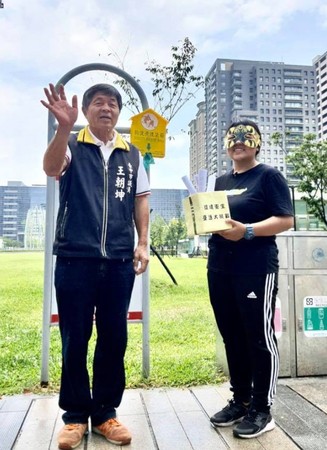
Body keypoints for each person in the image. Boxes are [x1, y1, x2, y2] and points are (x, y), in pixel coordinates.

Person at [41, 82, 150, 449]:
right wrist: (61, 128)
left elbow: (140, 201)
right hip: (75, 258)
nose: (107, 108)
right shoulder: (71, 146)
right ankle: (74, 418)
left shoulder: (132, 154)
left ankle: (104, 413)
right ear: (86, 111)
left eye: (113, 103)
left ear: (119, 112)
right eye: (99, 103)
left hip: (119, 260)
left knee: (114, 337)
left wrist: (143, 242)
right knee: (74, 338)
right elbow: (51, 167)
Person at [207, 119, 294, 439]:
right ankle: (240, 399)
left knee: (258, 336)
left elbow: (285, 220)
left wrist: (247, 231)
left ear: (256, 144)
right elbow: (213, 218)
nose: (238, 141)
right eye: (233, 137)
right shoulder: (220, 181)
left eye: (246, 137)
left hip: (255, 267)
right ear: (227, 145)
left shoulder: (269, 176)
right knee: (231, 335)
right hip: (219, 266)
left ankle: (262, 407)